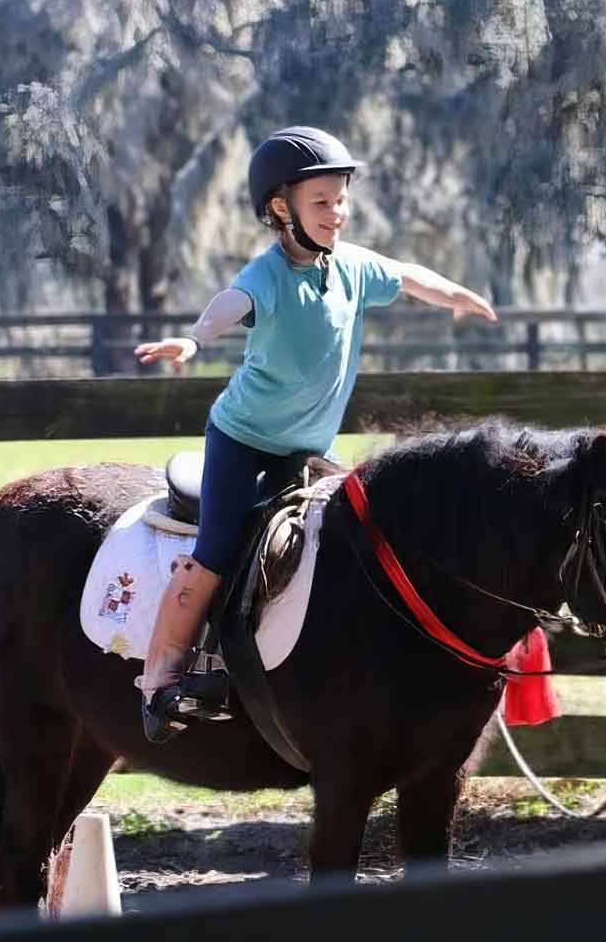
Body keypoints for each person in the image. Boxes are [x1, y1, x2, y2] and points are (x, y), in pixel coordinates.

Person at [133, 125, 496, 743]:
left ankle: (329, 664)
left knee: (352, 537)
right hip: (242, 441)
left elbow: (407, 275)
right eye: (322, 202)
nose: (338, 213)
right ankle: (160, 682)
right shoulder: (268, 275)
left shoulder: (351, 267)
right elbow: (230, 304)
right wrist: (193, 339)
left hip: (308, 448)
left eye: (341, 200)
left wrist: (454, 296)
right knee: (218, 549)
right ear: (282, 209)